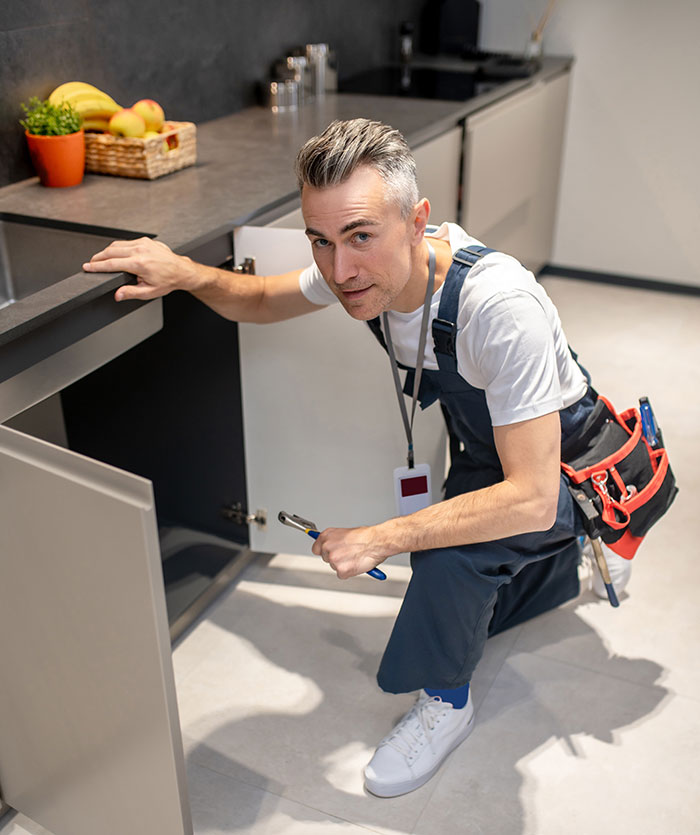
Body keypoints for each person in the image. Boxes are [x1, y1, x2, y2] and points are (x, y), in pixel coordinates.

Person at [83, 118, 630, 798]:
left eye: (360, 237)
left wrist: (384, 534)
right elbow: (259, 299)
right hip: (489, 442)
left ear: (416, 220)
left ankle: (447, 702)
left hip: (562, 461)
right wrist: (183, 273)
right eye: (321, 240)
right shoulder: (360, 266)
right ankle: (564, 566)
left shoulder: (499, 306)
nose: (339, 271)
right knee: (469, 593)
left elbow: (528, 494)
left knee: (445, 557)